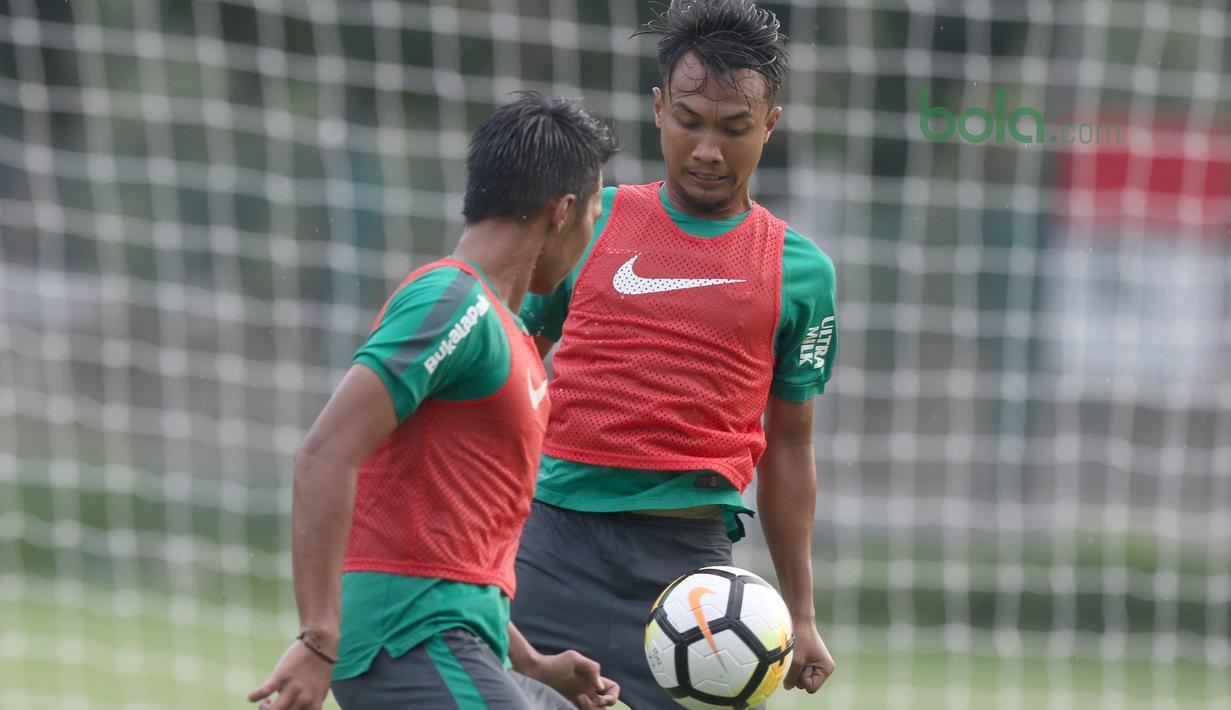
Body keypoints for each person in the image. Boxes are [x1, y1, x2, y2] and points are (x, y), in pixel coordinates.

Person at [508, 2, 839, 707]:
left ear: (769, 124)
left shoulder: (800, 271)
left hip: (691, 578)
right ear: (658, 109)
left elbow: (790, 448)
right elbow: (510, 365)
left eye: (734, 128)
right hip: (549, 542)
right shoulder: (592, 222)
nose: (707, 150)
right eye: (688, 121)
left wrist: (800, 614)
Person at [249, 91, 620, 710]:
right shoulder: (453, 302)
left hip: (458, 633)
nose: (590, 237)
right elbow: (324, 453)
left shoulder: (510, 333)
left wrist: (532, 664)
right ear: (562, 211)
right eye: (592, 217)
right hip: (408, 634)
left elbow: (451, 541)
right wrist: (318, 638)